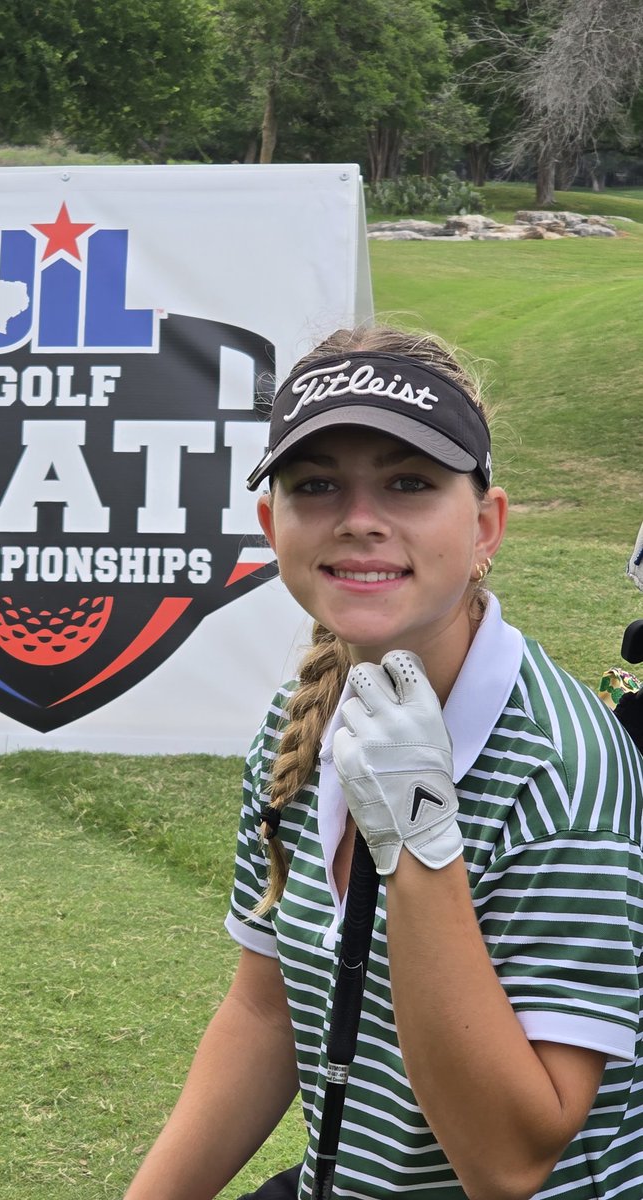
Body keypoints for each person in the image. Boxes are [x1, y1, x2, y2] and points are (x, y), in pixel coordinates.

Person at [123, 324, 643, 1200]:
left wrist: (420, 843)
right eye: (317, 484)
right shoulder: (297, 721)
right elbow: (269, 1009)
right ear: (271, 526)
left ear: (485, 527)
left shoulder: (566, 773)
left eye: (409, 483)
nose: (360, 519)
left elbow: (513, 1164)